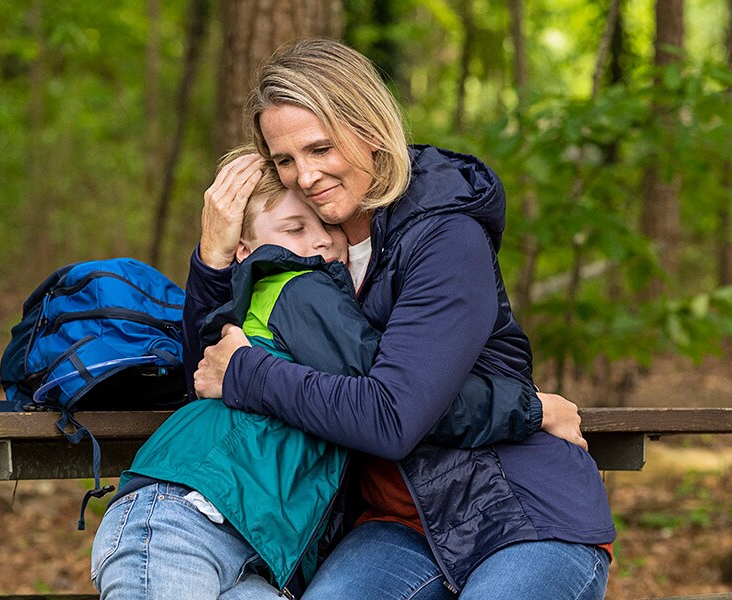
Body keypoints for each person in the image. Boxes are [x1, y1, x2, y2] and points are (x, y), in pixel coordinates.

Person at [192, 39, 615, 600]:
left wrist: (248, 374)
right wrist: (213, 258)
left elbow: (391, 418)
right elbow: (202, 376)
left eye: (321, 149)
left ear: (369, 129)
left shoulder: (445, 238)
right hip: (394, 525)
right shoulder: (310, 249)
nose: (307, 176)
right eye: (285, 161)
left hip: (520, 513)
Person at [91, 153, 552, 600]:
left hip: (249, 547)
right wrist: (529, 407)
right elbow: (395, 399)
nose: (321, 242)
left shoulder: (269, 302)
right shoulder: (298, 287)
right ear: (247, 250)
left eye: (327, 227)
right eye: (295, 229)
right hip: (188, 520)